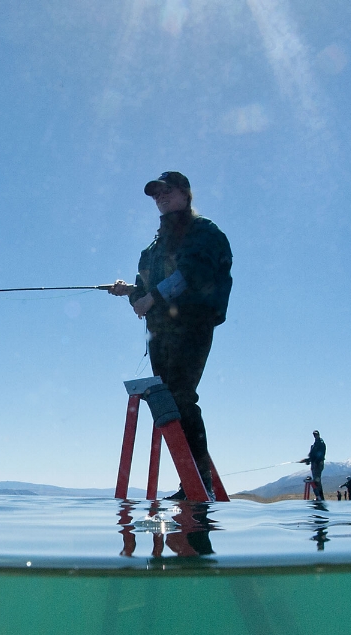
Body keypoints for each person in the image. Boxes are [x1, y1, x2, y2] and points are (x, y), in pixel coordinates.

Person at [108, 171, 232, 501]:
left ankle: (199, 480)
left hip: (192, 322)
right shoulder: (152, 249)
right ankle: (190, 480)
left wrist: (151, 297)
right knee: (169, 402)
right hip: (159, 333)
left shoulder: (203, 231)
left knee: (181, 395)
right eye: (155, 194)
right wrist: (132, 293)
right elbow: (144, 294)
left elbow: (195, 272)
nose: (160, 197)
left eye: (167, 191)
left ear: (185, 194)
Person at [306, 430, 326, 500]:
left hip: (318, 464)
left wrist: (316, 462)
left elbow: (320, 454)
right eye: (314, 434)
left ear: (318, 435)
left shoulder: (321, 443)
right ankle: (319, 497)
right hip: (314, 464)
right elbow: (312, 455)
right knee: (316, 481)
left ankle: (320, 497)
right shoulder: (315, 444)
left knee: (317, 481)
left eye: (316, 434)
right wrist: (308, 460)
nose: (315, 435)